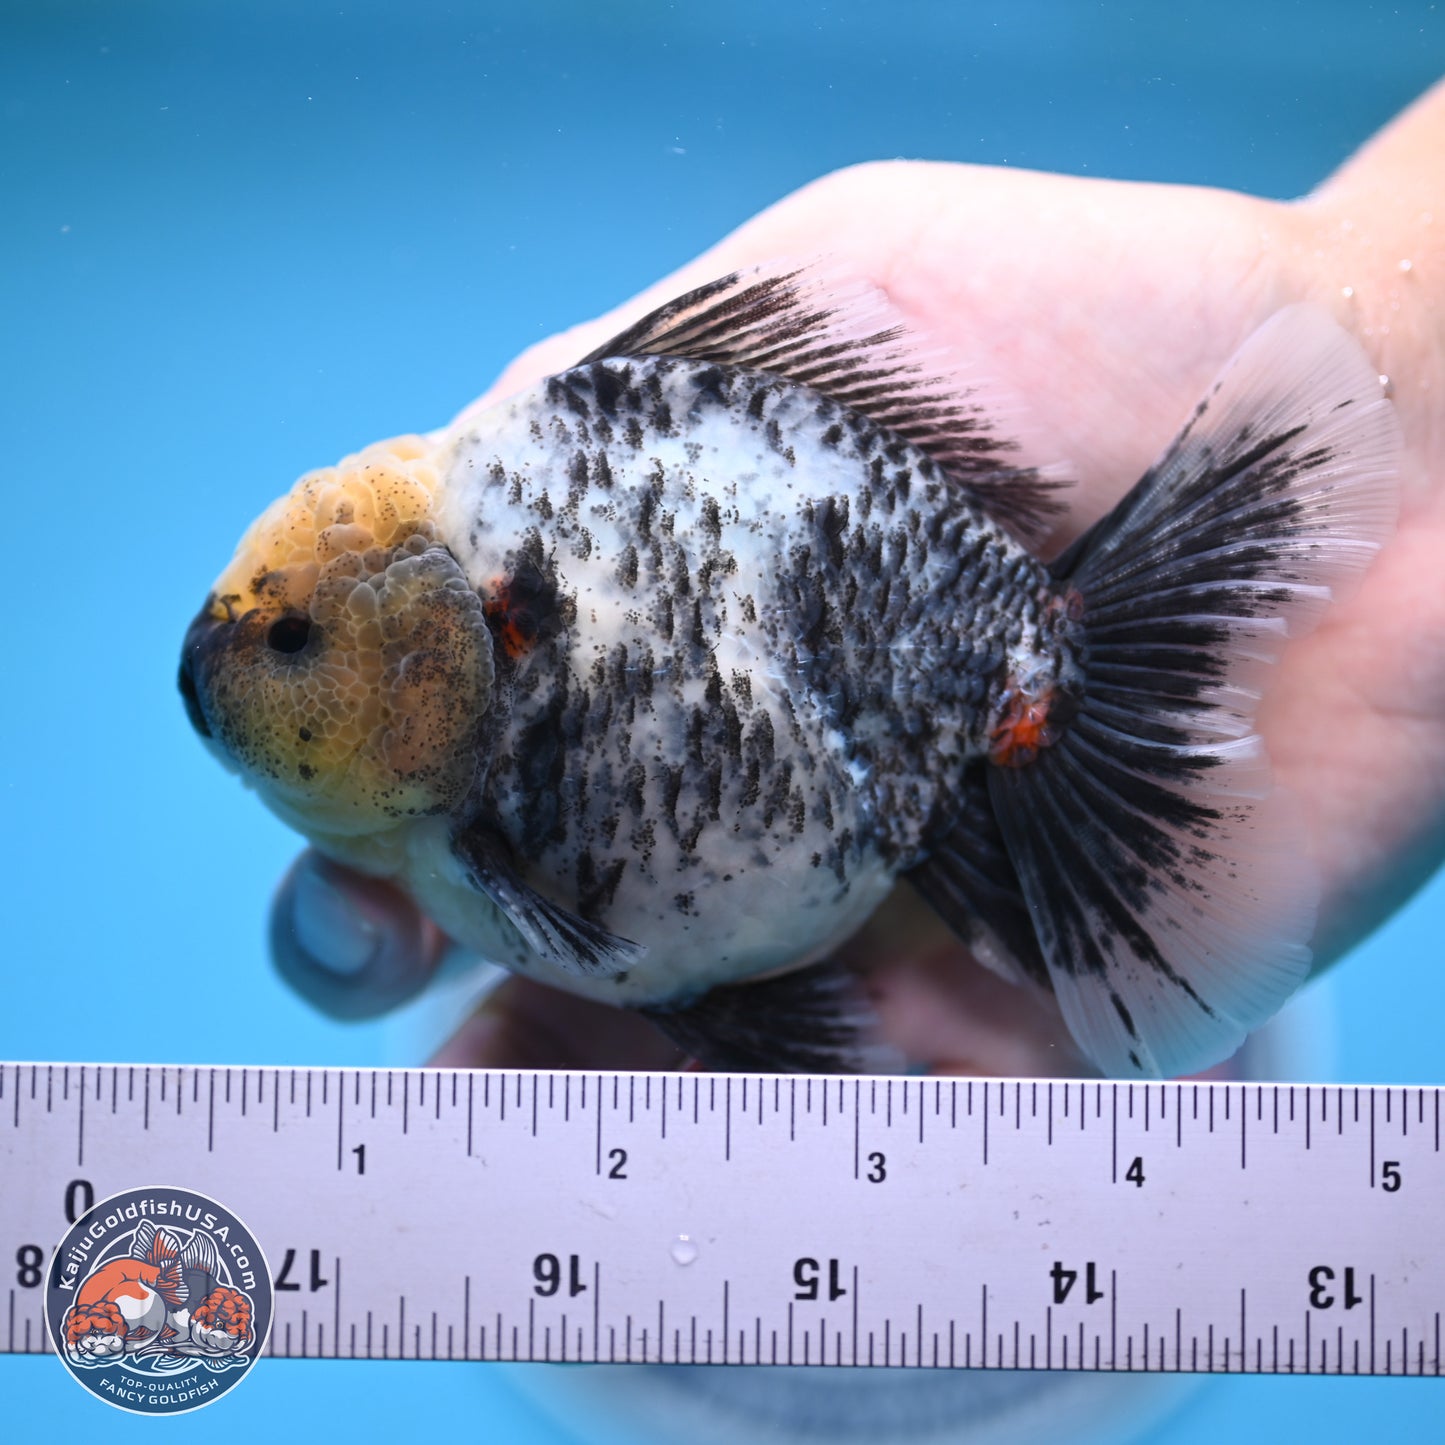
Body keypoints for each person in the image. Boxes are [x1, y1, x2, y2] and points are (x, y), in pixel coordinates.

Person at [267, 78, 1445, 1076]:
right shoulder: (444, 810)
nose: (250, 669)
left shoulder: (462, 779)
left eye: (293, 642)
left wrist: (1392, 318)